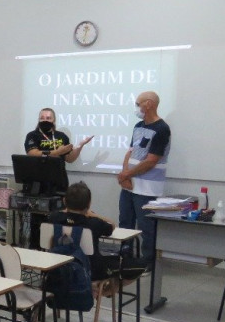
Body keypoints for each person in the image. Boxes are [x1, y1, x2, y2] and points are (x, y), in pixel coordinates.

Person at [48, 181, 147, 281]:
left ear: (64, 201)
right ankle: (106, 288)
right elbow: (112, 225)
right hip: (91, 269)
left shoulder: (53, 218)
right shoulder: (94, 223)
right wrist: (93, 215)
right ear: (89, 204)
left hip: (58, 266)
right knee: (138, 264)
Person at [117, 91, 171, 264]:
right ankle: (126, 259)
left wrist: (127, 174)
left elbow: (151, 161)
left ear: (148, 104)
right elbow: (130, 152)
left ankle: (148, 263)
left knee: (146, 227)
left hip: (148, 189)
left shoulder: (162, 129)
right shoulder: (138, 126)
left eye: (138, 103)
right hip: (129, 185)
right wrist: (124, 174)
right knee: (125, 222)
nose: (136, 107)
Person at [24, 108, 92, 163]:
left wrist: (80, 145)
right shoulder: (32, 135)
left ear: (54, 120)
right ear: (39, 120)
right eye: (42, 118)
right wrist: (58, 152)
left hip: (59, 173)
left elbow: (69, 159)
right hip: (38, 173)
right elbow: (33, 154)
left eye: (48, 118)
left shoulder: (62, 136)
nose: (45, 120)